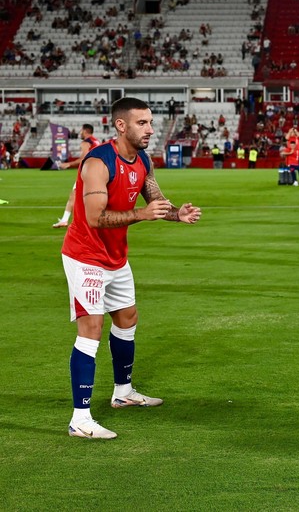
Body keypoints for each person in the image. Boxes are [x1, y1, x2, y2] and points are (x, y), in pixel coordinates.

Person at [62, 97, 201, 440]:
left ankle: (122, 393)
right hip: (85, 256)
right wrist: (140, 214)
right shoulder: (98, 162)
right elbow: (95, 218)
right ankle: (80, 418)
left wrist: (175, 214)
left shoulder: (142, 160)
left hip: (116, 256)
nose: (150, 129)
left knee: (127, 319)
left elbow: (156, 201)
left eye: (151, 122)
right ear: (121, 125)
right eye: (142, 123)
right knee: (91, 328)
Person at [53, 124, 102, 228]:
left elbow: (83, 158)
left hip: (88, 172)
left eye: (81, 130)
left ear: (85, 131)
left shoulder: (86, 143)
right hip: (99, 172)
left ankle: (65, 220)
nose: (80, 132)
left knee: (74, 195)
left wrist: (68, 164)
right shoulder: (96, 141)